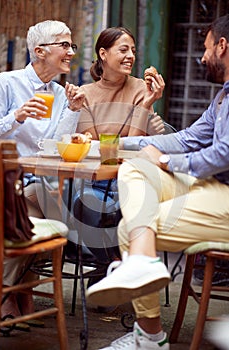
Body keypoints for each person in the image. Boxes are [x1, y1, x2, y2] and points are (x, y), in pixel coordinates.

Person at [86, 14, 229, 349]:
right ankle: (143, 265)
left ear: (222, 47)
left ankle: (149, 336)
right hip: (213, 185)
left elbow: (224, 152)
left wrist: (165, 161)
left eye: (205, 50)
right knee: (135, 168)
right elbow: (189, 139)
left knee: (132, 229)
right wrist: (116, 146)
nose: (203, 58)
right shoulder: (222, 97)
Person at [0, 20, 84, 323]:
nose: (71, 51)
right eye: (65, 44)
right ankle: (19, 291)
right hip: (5, 180)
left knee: (42, 209)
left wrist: (73, 110)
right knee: (50, 209)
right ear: (39, 51)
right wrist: (15, 117)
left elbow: (54, 146)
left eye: (72, 45)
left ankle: (11, 291)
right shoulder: (6, 83)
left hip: (39, 180)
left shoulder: (59, 94)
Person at [70, 27, 165, 262]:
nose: (131, 55)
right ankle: (112, 264)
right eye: (123, 50)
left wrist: (144, 106)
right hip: (97, 181)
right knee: (83, 205)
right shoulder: (85, 94)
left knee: (133, 207)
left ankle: (116, 268)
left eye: (133, 50)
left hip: (132, 178)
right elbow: (92, 149)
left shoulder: (142, 89)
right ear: (103, 53)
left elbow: (135, 146)